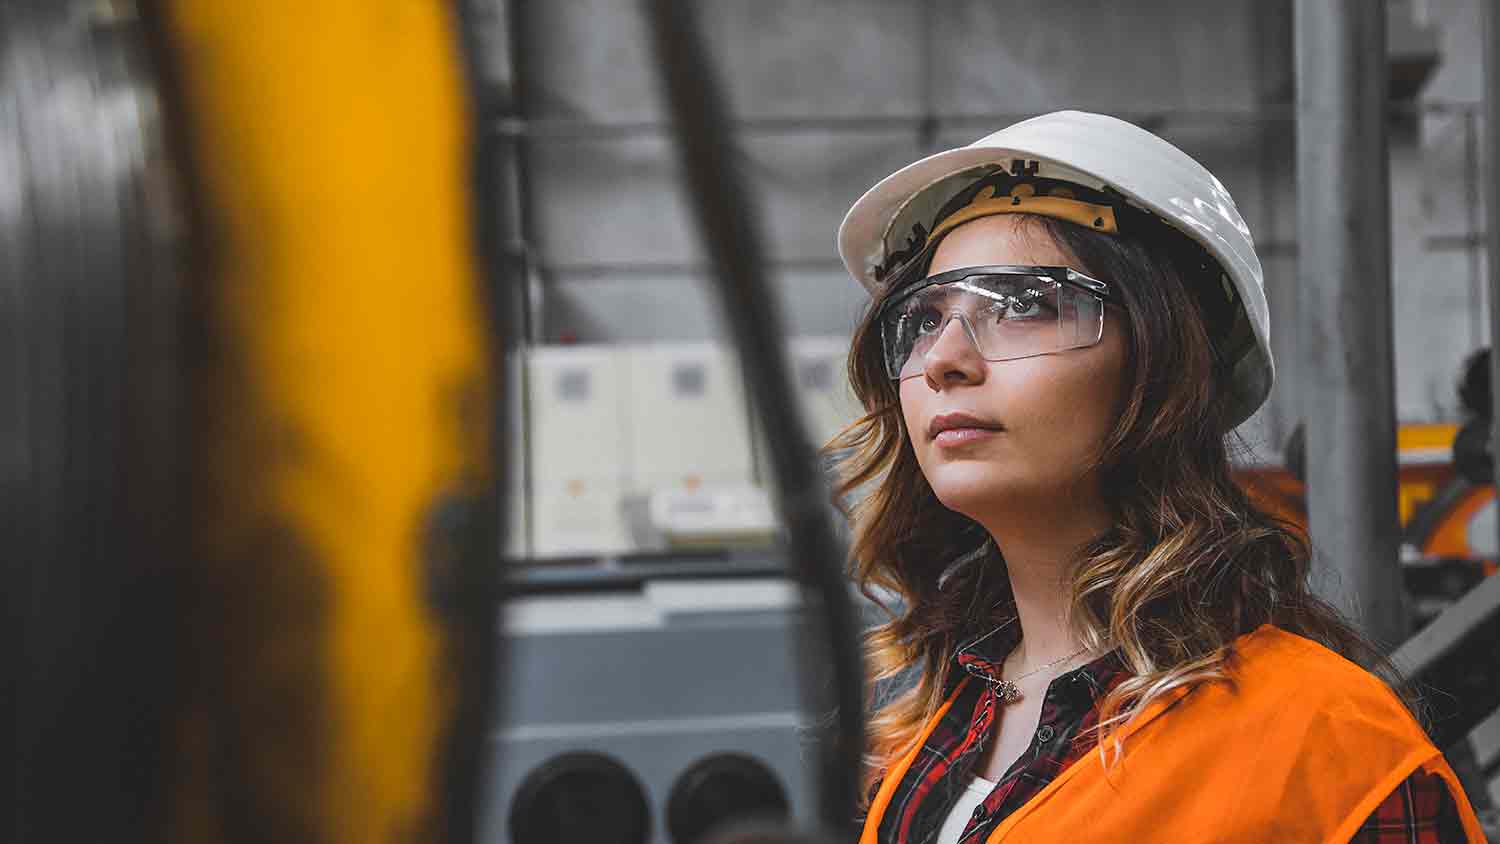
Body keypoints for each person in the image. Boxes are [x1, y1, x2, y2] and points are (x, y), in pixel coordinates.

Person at [832, 111, 1487, 843]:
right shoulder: (931, 731)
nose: (943, 358)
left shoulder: (1326, 747)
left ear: (1161, 365)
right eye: (922, 318)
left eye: (1022, 304)